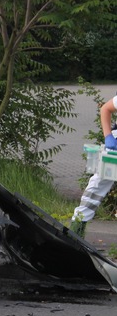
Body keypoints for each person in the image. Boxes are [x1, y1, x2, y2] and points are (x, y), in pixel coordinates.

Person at [70, 95, 117, 237]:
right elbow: (106, 109)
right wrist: (108, 136)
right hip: (115, 146)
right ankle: (78, 226)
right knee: (98, 184)